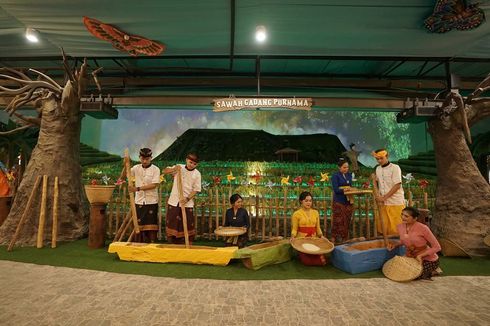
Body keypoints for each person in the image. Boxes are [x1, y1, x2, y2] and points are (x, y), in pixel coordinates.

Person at [387, 207, 442, 280]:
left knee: (413, 276)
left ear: (415, 218)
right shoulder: (400, 226)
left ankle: (432, 271)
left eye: (406, 216)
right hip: (410, 256)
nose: (402, 217)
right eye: (402, 214)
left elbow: (437, 247)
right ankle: (427, 272)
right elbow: (404, 241)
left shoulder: (423, 228)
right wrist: (394, 245)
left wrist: (420, 256)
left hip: (428, 259)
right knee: (397, 271)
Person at [163, 152, 201, 244]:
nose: (192, 165)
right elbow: (164, 171)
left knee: (187, 223)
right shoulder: (179, 167)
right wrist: (173, 169)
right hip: (174, 201)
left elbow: (196, 189)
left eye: (194, 164)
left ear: (197, 165)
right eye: (190, 162)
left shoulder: (197, 174)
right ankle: (171, 244)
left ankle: (187, 244)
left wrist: (187, 199)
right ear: (186, 160)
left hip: (187, 203)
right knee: (172, 222)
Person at [128, 148, 160, 243]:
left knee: (151, 225)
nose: (145, 161)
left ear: (151, 158)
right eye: (143, 159)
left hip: (151, 201)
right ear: (139, 158)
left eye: (147, 159)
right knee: (139, 223)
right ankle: (138, 244)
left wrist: (137, 189)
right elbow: (126, 174)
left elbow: (154, 185)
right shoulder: (136, 168)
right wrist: (125, 164)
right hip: (139, 201)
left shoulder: (155, 169)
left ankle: (151, 245)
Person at [372, 148, 405, 235]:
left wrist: (384, 198)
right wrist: (379, 197)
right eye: (377, 159)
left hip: (395, 202)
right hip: (384, 203)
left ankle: (399, 247)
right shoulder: (378, 169)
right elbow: (377, 185)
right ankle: (388, 246)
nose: (379, 161)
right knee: (384, 229)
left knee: (397, 229)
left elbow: (397, 185)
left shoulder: (395, 168)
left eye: (381, 158)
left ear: (387, 156)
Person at [291, 191, 326, 266]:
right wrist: (293, 236)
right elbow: (294, 229)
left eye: (310, 201)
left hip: (313, 239)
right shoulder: (296, 214)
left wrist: (321, 236)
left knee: (322, 261)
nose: (308, 203)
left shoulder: (316, 212)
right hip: (301, 241)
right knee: (306, 261)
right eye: (306, 201)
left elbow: (318, 227)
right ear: (301, 201)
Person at [330, 159, 354, 244]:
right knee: (338, 220)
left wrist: (349, 189)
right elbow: (336, 189)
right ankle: (334, 238)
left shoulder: (349, 175)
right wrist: (345, 189)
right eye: (344, 167)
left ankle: (344, 239)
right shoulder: (335, 176)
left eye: (347, 167)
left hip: (348, 201)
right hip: (339, 201)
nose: (346, 169)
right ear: (339, 167)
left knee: (347, 220)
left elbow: (350, 186)